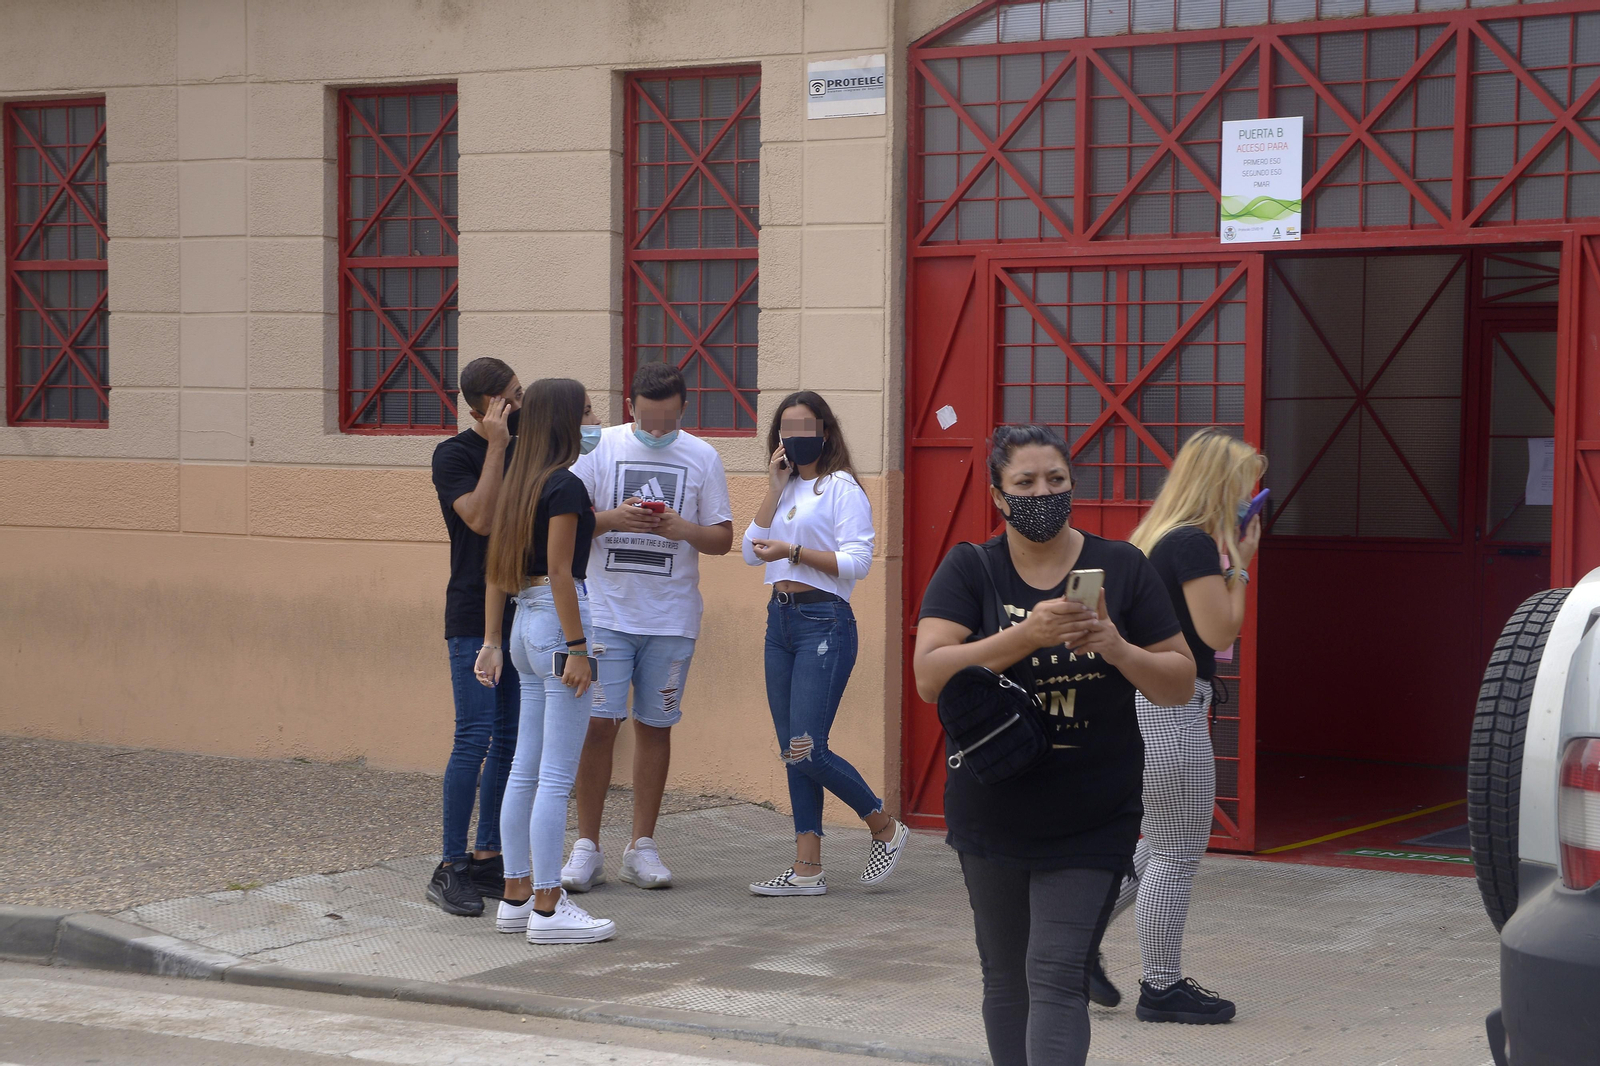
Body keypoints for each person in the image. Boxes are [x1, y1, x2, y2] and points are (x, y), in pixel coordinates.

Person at [912, 424, 1195, 1066]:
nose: (1044, 493)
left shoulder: (1121, 566)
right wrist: (1028, 635)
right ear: (999, 496)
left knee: (1057, 972)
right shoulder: (972, 568)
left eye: (1057, 480)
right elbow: (929, 676)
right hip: (994, 809)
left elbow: (1179, 681)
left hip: (1093, 815)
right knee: (1007, 977)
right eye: (1026, 483)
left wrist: (1117, 647)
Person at [1100, 428, 1265, 1024]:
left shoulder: (1157, 540)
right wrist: (1241, 564)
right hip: (1170, 706)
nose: (1251, 502)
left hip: (1146, 705)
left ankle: (1075, 948)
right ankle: (1161, 985)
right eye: (1247, 488)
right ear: (1223, 488)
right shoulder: (1194, 546)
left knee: (1157, 845)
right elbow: (1221, 633)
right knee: (1176, 846)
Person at [561, 364, 734, 892]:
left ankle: (643, 846)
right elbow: (568, 518)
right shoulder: (600, 448)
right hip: (607, 613)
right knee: (597, 726)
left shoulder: (703, 456)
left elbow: (723, 538)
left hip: (671, 616)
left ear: (684, 409)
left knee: (656, 726)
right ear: (630, 406)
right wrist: (615, 518)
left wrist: (683, 529)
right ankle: (586, 846)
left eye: (667, 422)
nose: (656, 431)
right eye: (648, 420)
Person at [741, 391, 909, 896]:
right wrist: (774, 488)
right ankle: (807, 868)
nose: (795, 437)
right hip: (781, 624)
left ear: (825, 432)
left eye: (805, 427)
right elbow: (751, 554)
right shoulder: (786, 488)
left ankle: (883, 826)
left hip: (824, 622)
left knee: (807, 749)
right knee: (791, 751)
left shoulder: (842, 488)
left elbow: (857, 562)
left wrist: (793, 551)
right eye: (785, 429)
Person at [475, 378, 615, 944]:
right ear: (564, 421)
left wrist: (491, 640)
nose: (594, 420)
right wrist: (579, 649)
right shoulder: (564, 486)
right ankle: (550, 909)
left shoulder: (519, 482)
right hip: (559, 623)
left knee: (525, 770)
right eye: (586, 411)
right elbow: (563, 571)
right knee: (555, 775)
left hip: (521, 624)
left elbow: (497, 567)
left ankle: (515, 896)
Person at [425, 357, 524, 917]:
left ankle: (488, 854)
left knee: (509, 738)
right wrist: (495, 445)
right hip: (471, 615)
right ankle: (450, 864)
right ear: (481, 407)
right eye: (510, 397)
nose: (519, 404)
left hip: (521, 611)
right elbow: (481, 520)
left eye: (521, 392)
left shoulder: (525, 446)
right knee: (475, 737)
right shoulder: (455, 454)